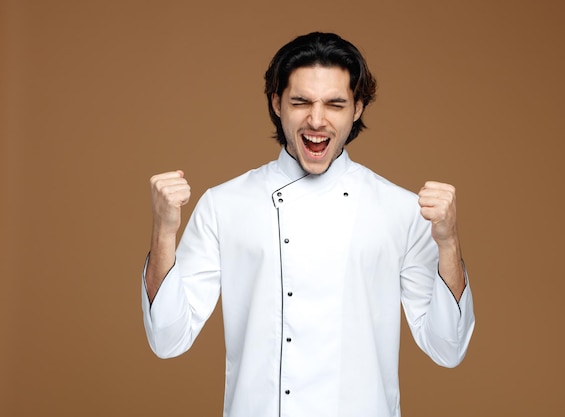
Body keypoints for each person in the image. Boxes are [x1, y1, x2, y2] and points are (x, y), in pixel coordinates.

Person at [142, 32, 475, 417]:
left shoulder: (399, 209)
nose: (317, 119)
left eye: (335, 104)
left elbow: (448, 348)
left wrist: (448, 242)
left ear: (357, 108)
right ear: (276, 102)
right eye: (301, 102)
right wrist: (164, 231)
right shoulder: (224, 204)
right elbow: (167, 339)